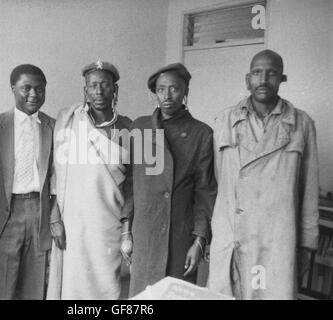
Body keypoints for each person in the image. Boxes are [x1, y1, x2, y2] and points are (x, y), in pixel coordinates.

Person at [208, 50, 319, 299]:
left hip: (276, 239)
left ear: (282, 78)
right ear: (248, 79)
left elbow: (309, 191)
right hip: (233, 235)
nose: (264, 79)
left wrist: (307, 243)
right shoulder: (224, 120)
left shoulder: (302, 124)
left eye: (272, 73)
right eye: (257, 72)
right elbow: (217, 181)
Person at [129, 63, 217, 297]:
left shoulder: (201, 133)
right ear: (155, 93)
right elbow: (129, 184)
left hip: (180, 234)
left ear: (186, 91)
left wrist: (199, 241)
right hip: (145, 232)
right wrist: (125, 233)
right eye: (161, 89)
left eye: (174, 89)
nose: (167, 96)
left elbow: (205, 191)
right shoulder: (140, 127)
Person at [47, 60, 133, 300]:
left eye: (105, 85)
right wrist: (55, 217)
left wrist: (127, 230)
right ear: (85, 91)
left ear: (115, 90)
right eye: (92, 86)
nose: (98, 91)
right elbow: (56, 175)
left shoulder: (129, 127)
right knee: (75, 285)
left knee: (108, 285)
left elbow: (133, 186)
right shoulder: (68, 122)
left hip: (109, 223)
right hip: (74, 222)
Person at [0, 64, 64, 300]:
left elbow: (58, 176)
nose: (33, 95)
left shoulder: (54, 127)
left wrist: (54, 216)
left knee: (34, 285)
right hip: (6, 213)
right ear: (13, 89)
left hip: (40, 211)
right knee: (2, 285)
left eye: (40, 89)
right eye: (26, 88)